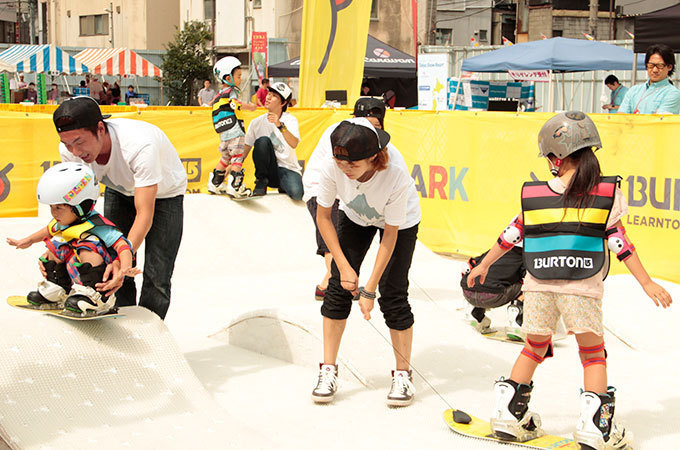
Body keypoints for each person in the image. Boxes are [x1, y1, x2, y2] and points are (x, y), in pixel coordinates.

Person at [466, 111, 672, 449]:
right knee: (592, 354)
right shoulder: (606, 193)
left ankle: (508, 413)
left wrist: (484, 266)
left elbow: (511, 235)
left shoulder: (534, 196)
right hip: (582, 287)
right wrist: (647, 282)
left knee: (533, 347)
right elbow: (620, 243)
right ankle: (595, 427)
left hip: (538, 286)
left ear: (555, 157)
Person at [310, 120, 421, 407]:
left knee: (393, 293)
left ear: (373, 156)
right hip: (356, 216)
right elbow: (324, 218)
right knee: (337, 288)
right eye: (340, 162)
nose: (345, 169)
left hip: (400, 222)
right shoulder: (331, 166)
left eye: (353, 165)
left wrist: (370, 288)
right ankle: (328, 369)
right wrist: (344, 267)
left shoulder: (395, 174)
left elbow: (391, 233)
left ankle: (402, 374)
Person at [53, 96, 187, 320]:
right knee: (108, 261)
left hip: (165, 195)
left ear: (100, 128)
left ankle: (149, 331)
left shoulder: (139, 146)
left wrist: (122, 257)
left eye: (79, 142)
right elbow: (75, 209)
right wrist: (55, 246)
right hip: (119, 190)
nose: (75, 152)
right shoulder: (69, 151)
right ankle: (119, 320)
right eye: (68, 144)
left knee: (156, 273)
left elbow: (145, 213)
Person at [303, 97, 414, 302]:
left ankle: (331, 283)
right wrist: (345, 270)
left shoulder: (388, 157)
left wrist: (371, 286)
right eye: (363, 122)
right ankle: (331, 282)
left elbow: (392, 229)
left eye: (375, 126)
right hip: (322, 188)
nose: (367, 133)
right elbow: (325, 213)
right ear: (353, 119)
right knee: (336, 252)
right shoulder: (340, 138)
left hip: (351, 195)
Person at [6, 162, 137, 317]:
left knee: (88, 243)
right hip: (76, 273)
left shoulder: (98, 225)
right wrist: (27, 240)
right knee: (57, 243)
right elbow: (47, 231)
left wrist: (125, 268)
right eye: (51, 207)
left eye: (59, 208)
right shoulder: (64, 222)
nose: (54, 213)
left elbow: (123, 245)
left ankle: (95, 296)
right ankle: (59, 288)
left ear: (81, 205)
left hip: (102, 278)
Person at [207, 56, 257, 197]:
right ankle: (236, 186)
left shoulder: (219, 95)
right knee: (237, 158)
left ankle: (215, 183)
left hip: (224, 133)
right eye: (239, 76)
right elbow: (235, 104)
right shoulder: (232, 91)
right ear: (228, 78)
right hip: (235, 131)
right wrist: (250, 107)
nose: (240, 79)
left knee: (225, 158)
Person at [243, 81, 303, 200]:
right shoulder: (256, 122)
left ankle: (283, 185)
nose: (269, 97)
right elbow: (245, 149)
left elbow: (294, 143)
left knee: (297, 194)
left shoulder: (290, 120)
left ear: (283, 103)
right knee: (262, 141)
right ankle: (261, 181)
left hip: (287, 168)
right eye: (269, 93)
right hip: (267, 170)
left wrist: (279, 125)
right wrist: (229, 167)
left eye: (274, 96)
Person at [461, 242, 525, 340]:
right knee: (530, 283)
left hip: (468, 292)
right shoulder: (524, 256)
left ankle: (476, 314)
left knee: (482, 279)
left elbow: (468, 266)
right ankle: (516, 319)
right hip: (494, 296)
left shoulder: (493, 252)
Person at [618, 44, 680, 114]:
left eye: (660, 65)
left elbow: (659, 121)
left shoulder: (672, 93)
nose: (654, 70)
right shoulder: (633, 90)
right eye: (651, 65)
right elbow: (621, 116)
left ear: (669, 67)